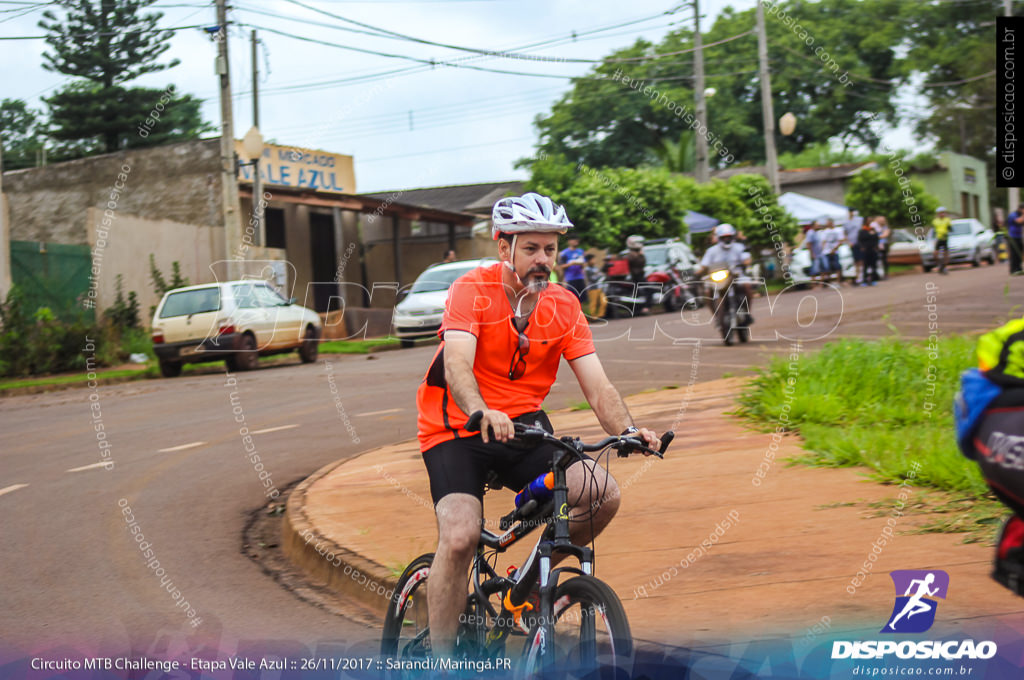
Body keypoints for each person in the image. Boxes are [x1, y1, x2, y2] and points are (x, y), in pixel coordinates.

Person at [415, 192, 660, 656]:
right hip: (455, 428)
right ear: (503, 247)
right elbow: (458, 366)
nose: (542, 260)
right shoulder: (471, 290)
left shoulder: (564, 306)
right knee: (462, 535)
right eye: (531, 249)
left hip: (522, 428)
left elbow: (597, 385)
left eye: (549, 249)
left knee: (600, 494)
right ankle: (444, 663)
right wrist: (481, 410)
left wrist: (629, 429)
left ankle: (523, 592)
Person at [695, 223, 753, 323]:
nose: (726, 239)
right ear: (719, 238)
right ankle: (717, 317)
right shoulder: (711, 251)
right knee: (708, 292)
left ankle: (747, 313)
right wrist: (696, 273)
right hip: (719, 279)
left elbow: (746, 259)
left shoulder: (739, 247)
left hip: (737, 276)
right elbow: (704, 265)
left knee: (747, 286)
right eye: (724, 237)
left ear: (733, 237)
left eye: (728, 237)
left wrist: (745, 263)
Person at [625, 234, 651, 315]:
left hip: (635, 277)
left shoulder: (631, 254)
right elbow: (640, 263)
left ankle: (642, 308)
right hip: (636, 277)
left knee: (643, 291)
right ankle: (646, 307)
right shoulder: (632, 255)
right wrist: (641, 255)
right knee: (648, 290)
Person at [558, 236, 587, 300]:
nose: (576, 242)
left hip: (580, 277)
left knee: (581, 298)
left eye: (577, 240)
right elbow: (561, 266)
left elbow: (584, 263)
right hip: (570, 279)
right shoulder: (564, 253)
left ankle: (580, 310)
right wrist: (572, 263)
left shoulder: (581, 251)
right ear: (569, 241)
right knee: (572, 298)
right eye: (574, 240)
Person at [583, 253, 607, 319]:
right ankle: (593, 317)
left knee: (604, 302)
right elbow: (593, 279)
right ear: (588, 261)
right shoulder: (587, 269)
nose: (594, 261)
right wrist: (600, 274)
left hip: (600, 287)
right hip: (593, 288)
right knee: (593, 303)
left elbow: (601, 275)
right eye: (592, 259)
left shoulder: (595, 267)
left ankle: (600, 315)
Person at [821, 218, 844, 284]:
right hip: (826, 252)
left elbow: (841, 241)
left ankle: (838, 281)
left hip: (835, 252)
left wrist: (834, 249)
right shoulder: (825, 231)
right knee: (827, 267)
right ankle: (829, 282)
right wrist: (823, 250)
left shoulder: (838, 230)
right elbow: (823, 241)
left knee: (837, 266)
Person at [844, 209, 864, 285]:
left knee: (861, 260)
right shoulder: (846, 222)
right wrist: (848, 242)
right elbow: (845, 233)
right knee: (856, 261)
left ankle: (862, 276)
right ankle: (858, 277)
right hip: (853, 243)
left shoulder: (859, 220)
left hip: (860, 242)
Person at [858, 218, 880, 286]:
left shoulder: (872, 229)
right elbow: (860, 240)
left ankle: (873, 279)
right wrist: (862, 247)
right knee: (865, 266)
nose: (869, 221)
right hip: (865, 250)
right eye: (868, 220)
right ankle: (864, 280)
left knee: (873, 265)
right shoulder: (862, 230)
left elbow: (876, 238)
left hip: (872, 249)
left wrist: (876, 246)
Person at [932, 207, 952, 275]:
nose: (942, 214)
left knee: (946, 254)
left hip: (945, 238)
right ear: (938, 214)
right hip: (938, 238)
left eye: (943, 213)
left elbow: (950, 229)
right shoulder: (935, 221)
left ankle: (944, 267)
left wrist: (947, 231)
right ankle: (940, 265)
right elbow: (934, 231)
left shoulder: (947, 220)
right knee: (935, 254)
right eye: (940, 213)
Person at [1008, 204, 1024, 275]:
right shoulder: (1013, 215)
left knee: (1019, 253)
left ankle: (1018, 268)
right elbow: (1019, 221)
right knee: (1014, 253)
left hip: (1019, 236)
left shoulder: (1020, 215)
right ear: (1020, 209)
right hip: (1012, 237)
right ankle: (1013, 269)